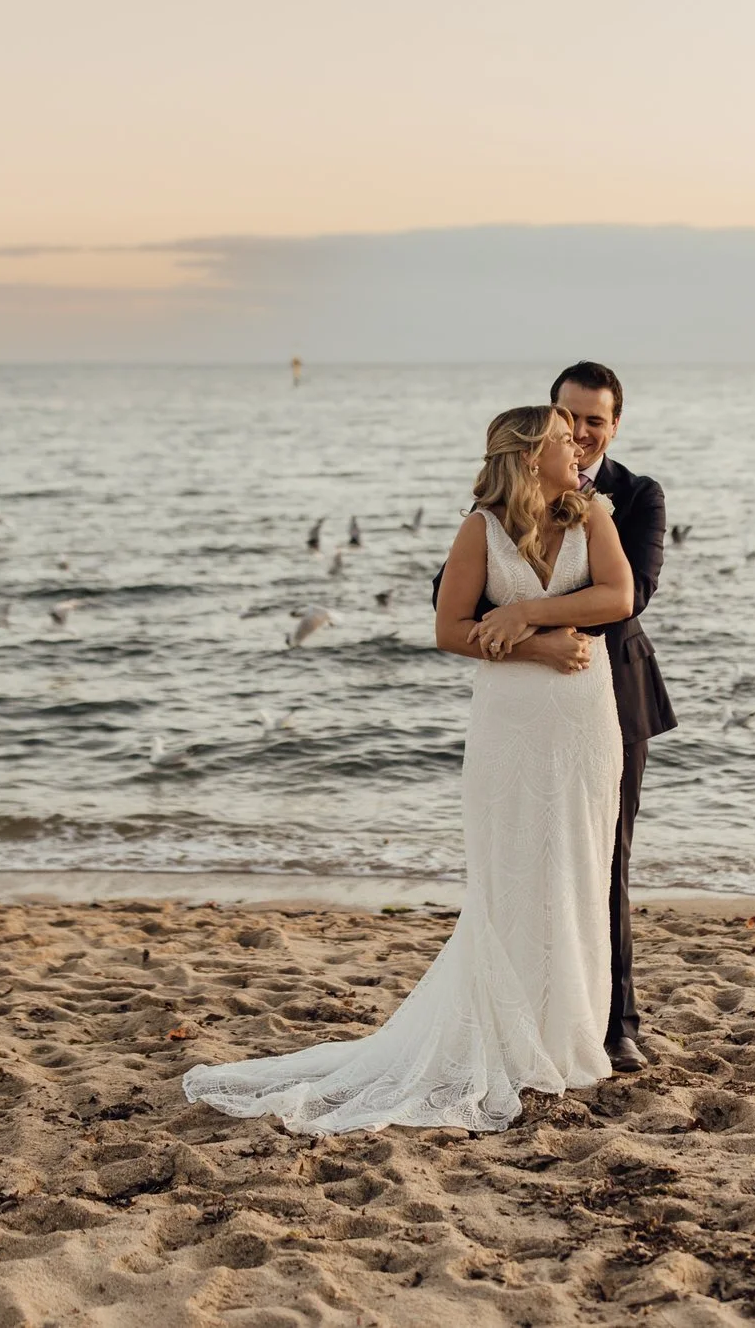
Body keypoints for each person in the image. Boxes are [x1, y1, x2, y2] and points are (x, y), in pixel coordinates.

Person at [181, 404, 632, 1134]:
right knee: (511, 871)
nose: (575, 444)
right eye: (559, 438)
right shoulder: (479, 530)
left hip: (584, 719)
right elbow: (450, 628)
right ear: (527, 456)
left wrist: (530, 612)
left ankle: (564, 1040)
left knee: (577, 866)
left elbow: (619, 595)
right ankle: (509, 1035)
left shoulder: (593, 514)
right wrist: (537, 644)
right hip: (511, 718)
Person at [544, 361, 676, 1072]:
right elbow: (455, 587)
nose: (583, 430)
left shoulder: (640, 495)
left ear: (615, 424)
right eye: (571, 416)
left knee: (607, 860)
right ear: (551, 414)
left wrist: (528, 613)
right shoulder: (514, 490)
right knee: (539, 858)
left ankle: (617, 1023)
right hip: (535, 700)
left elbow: (634, 594)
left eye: (596, 419)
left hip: (616, 701)